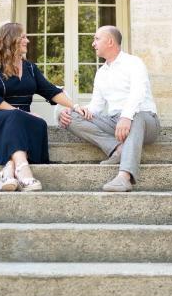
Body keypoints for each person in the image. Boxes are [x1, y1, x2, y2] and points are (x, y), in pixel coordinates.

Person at [58, 26, 160, 192]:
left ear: (110, 41)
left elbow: (138, 93)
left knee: (137, 116)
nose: (93, 44)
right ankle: (118, 148)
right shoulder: (101, 73)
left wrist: (126, 117)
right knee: (69, 116)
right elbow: (96, 107)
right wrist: (77, 111)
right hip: (115, 123)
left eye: (97, 39)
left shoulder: (133, 63)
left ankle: (124, 177)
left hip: (146, 121)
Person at [0, 22, 75, 192]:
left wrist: (76, 106)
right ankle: (23, 171)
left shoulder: (30, 67)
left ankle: (7, 171)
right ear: (10, 40)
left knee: (40, 123)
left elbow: (50, 91)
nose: (27, 41)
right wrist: (22, 113)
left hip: (21, 121)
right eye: (23, 37)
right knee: (17, 117)